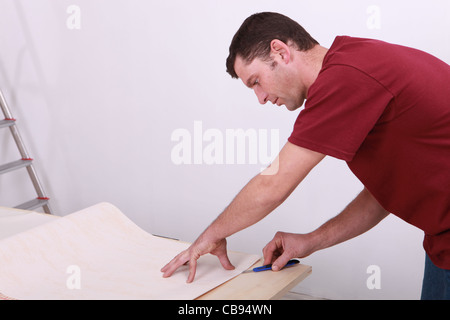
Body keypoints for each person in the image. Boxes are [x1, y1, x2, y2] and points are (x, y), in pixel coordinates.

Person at [161, 12, 450, 299]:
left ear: (280, 51)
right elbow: (384, 195)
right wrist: (311, 241)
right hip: (442, 242)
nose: (260, 98)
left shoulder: (343, 80)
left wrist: (210, 236)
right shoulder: (352, 61)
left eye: (256, 81)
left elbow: (273, 185)